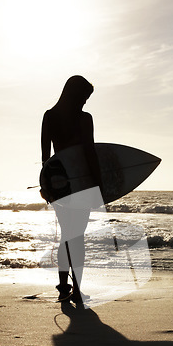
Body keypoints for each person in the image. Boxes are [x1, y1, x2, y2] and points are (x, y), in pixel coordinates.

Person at [41, 75, 101, 305]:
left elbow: (45, 159)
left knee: (68, 234)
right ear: (74, 94)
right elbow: (90, 154)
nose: (85, 102)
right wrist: (99, 186)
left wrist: (46, 186)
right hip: (81, 184)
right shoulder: (84, 119)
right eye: (84, 97)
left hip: (58, 183)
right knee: (77, 237)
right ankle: (76, 289)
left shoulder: (50, 116)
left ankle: (64, 287)